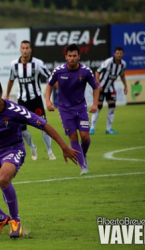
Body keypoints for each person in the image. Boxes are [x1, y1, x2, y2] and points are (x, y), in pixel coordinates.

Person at [0, 79, 79, 239]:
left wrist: (64, 146)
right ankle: (2, 218)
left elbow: (43, 125)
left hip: (13, 149)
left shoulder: (16, 111)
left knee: (3, 178)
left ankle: (15, 222)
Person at [45, 44, 100, 175]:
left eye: (74, 56)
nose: (72, 58)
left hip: (81, 108)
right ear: (66, 57)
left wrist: (95, 104)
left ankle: (83, 154)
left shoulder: (86, 71)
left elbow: (96, 87)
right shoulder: (59, 71)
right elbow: (49, 84)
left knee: (85, 137)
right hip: (65, 110)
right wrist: (48, 100)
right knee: (73, 136)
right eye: (70, 56)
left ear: (79, 57)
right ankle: (83, 166)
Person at [5, 40, 56, 161]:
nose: (25, 50)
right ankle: (32, 147)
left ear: (30, 49)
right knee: (22, 128)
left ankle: (49, 151)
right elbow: (11, 79)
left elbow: (51, 78)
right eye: (23, 48)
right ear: (20, 49)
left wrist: (49, 99)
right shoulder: (14, 64)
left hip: (36, 99)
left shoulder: (38, 63)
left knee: (43, 125)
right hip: (22, 101)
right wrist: (6, 95)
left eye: (27, 48)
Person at [90, 47, 128, 135]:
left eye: (120, 53)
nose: (119, 55)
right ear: (114, 54)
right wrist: (98, 84)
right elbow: (97, 72)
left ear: (122, 54)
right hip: (101, 87)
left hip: (111, 88)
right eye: (117, 53)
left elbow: (122, 75)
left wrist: (125, 86)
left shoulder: (123, 64)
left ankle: (109, 129)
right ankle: (92, 128)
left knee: (112, 106)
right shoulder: (108, 62)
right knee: (98, 107)